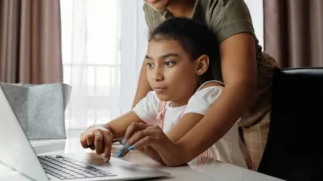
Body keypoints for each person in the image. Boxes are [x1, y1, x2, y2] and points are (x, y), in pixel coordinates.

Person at [109, 0, 279, 170]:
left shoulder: (222, 0)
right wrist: (131, 129)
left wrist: (181, 150)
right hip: (201, 109)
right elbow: (154, 61)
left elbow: (240, 86)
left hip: (252, 110)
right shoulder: (154, 8)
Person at [80, 17, 248, 168]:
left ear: (200, 65)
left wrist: (135, 139)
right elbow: (110, 127)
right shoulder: (158, 101)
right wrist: (98, 130)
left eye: (168, 63)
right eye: (150, 64)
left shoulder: (211, 95)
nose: (156, 76)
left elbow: (170, 149)